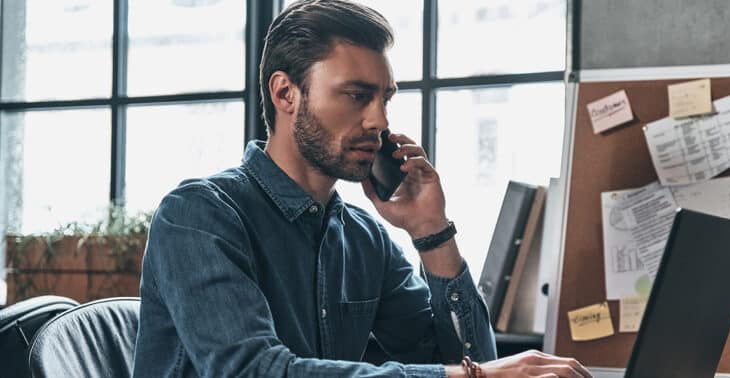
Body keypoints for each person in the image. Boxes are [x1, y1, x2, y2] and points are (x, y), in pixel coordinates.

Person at [132, 1, 592, 377]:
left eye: (385, 98)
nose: (380, 121)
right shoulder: (198, 215)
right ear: (286, 94)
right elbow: (253, 371)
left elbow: (470, 365)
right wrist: (474, 376)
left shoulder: (363, 238)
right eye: (357, 95)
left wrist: (432, 232)